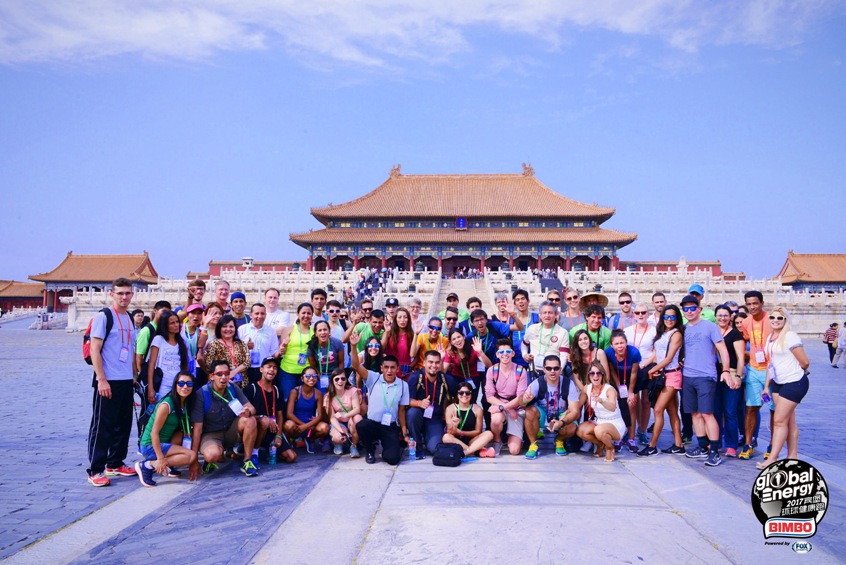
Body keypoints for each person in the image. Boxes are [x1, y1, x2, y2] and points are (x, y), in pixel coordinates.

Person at [87, 278, 138, 487]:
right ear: (112, 294)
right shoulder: (104, 317)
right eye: (120, 293)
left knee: (123, 425)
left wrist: (134, 376)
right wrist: (101, 379)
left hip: (125, 380)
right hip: (108, 380)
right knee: (103, 426)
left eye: (127, 293)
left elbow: (131, 350)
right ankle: (95, 469)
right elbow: (95, 349)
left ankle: (115, 463)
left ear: (132, 294)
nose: (124, 297)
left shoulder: (129, 318)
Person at [679, 294, 736, 468]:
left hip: (706, 376)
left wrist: (725, 370)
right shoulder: (683, 329)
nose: (689, 311)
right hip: (688, 376)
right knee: (694, 414)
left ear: (699, 309)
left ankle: (714, 451)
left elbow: (722, 349)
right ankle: (703, 446)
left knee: (707, 414)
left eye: (692, 308)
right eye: (686, 309)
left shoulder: (710, 326)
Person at [756, 308, 810, 470]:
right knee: (789, 421)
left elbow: (805, 362)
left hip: (794, 382)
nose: (775, 320)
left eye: (780, 318)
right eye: (772, 317)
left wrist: (795, 371)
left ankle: (772, 458)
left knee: (779, 421)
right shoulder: (771, 337)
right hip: (778, 383)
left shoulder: (790, 336)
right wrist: (766, 386)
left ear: (786, 320)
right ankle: (792, 456)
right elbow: (771, 364)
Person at [188, 360, 259, 479]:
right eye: (219, 374)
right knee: (212, 455)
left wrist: (248, 412)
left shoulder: (232, 387)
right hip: (211, 434)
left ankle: (247, 460)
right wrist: (194, 460)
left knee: (250, 420)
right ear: (211, 376)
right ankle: (210, 459)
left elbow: (251, 408)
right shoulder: (201, 394)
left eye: (227, 373)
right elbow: (197, 429)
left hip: (230, 431)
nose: (224, 377)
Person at [349, 332, 410, 465]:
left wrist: (404, 433)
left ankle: (388, 447)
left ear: (397, 369)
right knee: (362, 425)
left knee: (392, 459)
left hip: (390, 426)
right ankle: (370, 450)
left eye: (392, 367)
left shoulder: (403, 385)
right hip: (373, 424)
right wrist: (353, 346)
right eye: (386, 367)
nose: (389, 371)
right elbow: (356, 366)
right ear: (381, 368)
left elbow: (401, 411)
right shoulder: (373, 377)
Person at [136, 371, 198, 487]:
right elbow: (154, 433)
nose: (185, 387)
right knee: (191, 456)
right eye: (181, 383)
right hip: (150, 445)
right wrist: (160, 458)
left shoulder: (185, 402)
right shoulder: (166, 405)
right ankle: (148, 465)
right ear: (175, 385)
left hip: (165, 441)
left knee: (183, 434)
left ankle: (168, 465)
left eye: (189, 384)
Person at [639, 305, 685, 456]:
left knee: (658, 410)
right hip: (663, 375)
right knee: (672, 411)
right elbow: (657, 354)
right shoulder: (662, 332)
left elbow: (669, 358)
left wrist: (652, 370)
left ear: (677, 318)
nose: (669, 320)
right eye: (666, 316)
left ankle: (652, 446)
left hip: (671, 375)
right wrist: (649, 367)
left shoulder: (676, 334)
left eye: (672, 317)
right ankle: (678, 444)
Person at [562, 360, 626, 462]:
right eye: (592, 373)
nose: (595, 376)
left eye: (598, 373)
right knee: (581, 430)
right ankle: (600, 444)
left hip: (614, 423)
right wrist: (566, 414)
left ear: (602, 375)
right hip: (599, 421)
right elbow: (577, 405)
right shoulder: (587, 388)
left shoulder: (609, 389)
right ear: (588, 375)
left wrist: (601, 401)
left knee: (599, 430)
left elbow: (612, 407)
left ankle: (610, 448)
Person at [520, 355, 578, 458]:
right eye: (549, 368)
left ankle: (559, 440)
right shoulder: (537, 383)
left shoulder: (568, 383)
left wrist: (561, 422)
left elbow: (575, 411)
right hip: (544, 415)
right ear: (543, 369)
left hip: (561, 416)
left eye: (556, 368)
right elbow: (521, 404)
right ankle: (533, 444)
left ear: (560, 369)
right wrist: (525, 400)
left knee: (572, 426)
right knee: (529, 411)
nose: (552, 371)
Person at [739, 290, 774, 460]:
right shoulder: (746, 322)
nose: (752, 307)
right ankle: (748, 444)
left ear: (762, 303)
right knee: (751, 408)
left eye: (755, 303)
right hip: (754, 369)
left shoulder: (772, 320)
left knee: (774, 409)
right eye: (749, 304)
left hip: (771, 370)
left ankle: (773, 444)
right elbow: (747, 341)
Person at [245, 357, 297, 464]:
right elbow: (244, 416)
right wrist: (262, 417)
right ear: (261, 369)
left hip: (272, 431)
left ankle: (269, 451)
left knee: (291, 457)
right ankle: (254, 452)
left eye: (274, 368)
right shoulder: (251, 389)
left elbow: (280, 415)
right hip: (257, 429)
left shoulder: (277, 390)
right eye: (268, 367)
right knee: (264, 422)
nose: (272, 370)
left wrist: (278, 435)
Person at [485, 339, 529, 456]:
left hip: (516, 407)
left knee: (514, 451)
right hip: (501, 405)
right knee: (496, 419)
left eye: (508, 351)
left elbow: (520, 397)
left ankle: (514, 436)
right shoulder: (492, 371)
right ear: (497, 354)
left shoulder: (521, 370)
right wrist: (508, 408)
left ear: (513, 353)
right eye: (501, 352)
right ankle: (497, 440)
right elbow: (489, 396)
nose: (505, 354)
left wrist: (505, 407)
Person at [713, 304, 746, 457]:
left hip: (731, 374)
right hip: (714, 375)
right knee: (715, 410)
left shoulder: (735, 335)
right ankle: (716, 441)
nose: (722, 318)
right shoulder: (712, 331)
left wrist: (738, 376)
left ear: (730, 316)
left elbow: (740, 358)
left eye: (725, 315)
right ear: (715, 317)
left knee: (730, 411)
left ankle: (731, 444)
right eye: (720, 315)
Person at [406, 351, 452, 458]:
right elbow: (406, 400)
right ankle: (417, 446)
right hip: (418, 416)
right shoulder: (415, 377)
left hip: (434, 419)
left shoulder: (444, 379)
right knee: (412, 413)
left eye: (437, 362)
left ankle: (428, 438)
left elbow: (459, 393)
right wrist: (419, 403)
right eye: (430, 362)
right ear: (424, 363)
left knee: (434, 448)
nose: (434, 366)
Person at [604, 330, 641, 452]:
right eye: (616, 343)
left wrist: (630, 392)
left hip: (632, 380)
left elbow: (634, 373)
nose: (620, 346)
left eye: (622, 343)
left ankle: (631, 438)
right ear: (611, 345)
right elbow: (611, 370)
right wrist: (619, 386)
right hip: (617, 380)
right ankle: (618, 437)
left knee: (631, 405)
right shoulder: (608, 353)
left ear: (626, 343)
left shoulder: (634, 353)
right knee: (618, 407)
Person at [625, 304, 656, 446]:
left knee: (646, 401)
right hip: (632, 367)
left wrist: (645, 365)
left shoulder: (654, 331)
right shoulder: (628, 331)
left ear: (648, 314)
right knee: (633, 401)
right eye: (637, 313)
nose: (641, 315)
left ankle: (642, 430)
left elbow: (656, 351)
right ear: (634, 314)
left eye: (643, 312)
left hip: (647, 366)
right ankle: (632, 428)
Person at [441, 382, 496, 459]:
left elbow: (478, 431)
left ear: (471, 394)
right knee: (446, 437)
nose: (464, 395)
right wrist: (454, 426)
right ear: (457, 394)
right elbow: (450, 432)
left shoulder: (477, 409)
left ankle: (465, 452)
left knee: (489, 434)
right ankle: (476, 451)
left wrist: (461, 432)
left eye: (467, 393)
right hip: (456, 440)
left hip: (472, 439)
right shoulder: (450, 409)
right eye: (461, 393)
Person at [146, 309, 189, 405]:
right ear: (165, 325)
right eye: (172, 323)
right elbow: (151, 364)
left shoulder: (182, 341)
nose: (176, 325)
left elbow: (184, 364)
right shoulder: (158, 340)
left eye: (177, 322)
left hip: (179, 383)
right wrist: (151, 388)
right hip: (163, 384)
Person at [282, 367, 330, 451]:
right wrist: (303, 426)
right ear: (302, 378)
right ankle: (291, 441)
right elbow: (289, 414)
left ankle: (310, 440)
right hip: (296, 424)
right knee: (288, 425)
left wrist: (307, 426)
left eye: (314, 376)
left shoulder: (318, 394)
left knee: (324, 428)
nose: (311, 378)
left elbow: (320, 415)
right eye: (308, 376)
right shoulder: (295, 392)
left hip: (310, 425)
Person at [238, 303, 282, 385]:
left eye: (262, 314)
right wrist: (245, 347)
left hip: (263, 371)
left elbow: (274, 353)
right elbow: (235, 352)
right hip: (246, 370)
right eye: (257, 313)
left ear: (266, 315)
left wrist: (281, 351)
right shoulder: (242, 329)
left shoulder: (271, 331)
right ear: (250, 315)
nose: (260, 316)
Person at [278, 303, 315, 400]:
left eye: (309, 313)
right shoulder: (289, 329)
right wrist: (282, 348)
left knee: (304, 400)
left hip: (306, 372)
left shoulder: (314, 332)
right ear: (298, 314)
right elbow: (282, 350)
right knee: (287, 399)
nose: (306, 316)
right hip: (288, 371)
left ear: (312, 315)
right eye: (303, 313)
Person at [443, 330, 491, 403]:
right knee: (459, 401)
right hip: (457, 379)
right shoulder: (450, 352)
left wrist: (480, 352)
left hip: (473, 378)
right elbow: (443, 371)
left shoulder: (473, 348)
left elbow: (489, 365)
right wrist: (441, 359)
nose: (457, 340)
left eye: (459, 337)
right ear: (451, 342)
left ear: (464, 337)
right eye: (454, 339)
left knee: (472, 401)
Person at [204, 315, 250, 388]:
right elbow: (209, 366)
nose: (228, 329)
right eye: (224, 326)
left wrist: (234, 372)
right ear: (219, 328)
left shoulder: (241, 344)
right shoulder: (213, 344)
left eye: (231, 326)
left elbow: (247, 362)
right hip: (220, 384)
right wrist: (226, 375)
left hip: (241, 384)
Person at [326, 369, 363, 458]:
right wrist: (341, 431)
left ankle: (353, 446)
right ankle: (338, 443)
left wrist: (346, 415)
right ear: (332, 381)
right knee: (338, 437)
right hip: (339, 422)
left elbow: (357, 409)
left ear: (346, 380)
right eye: (337, 379)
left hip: (351, 417)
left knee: (358, 419)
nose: (340, 381)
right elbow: (332, 417)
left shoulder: (352, 390)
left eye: (343, 378)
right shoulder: (328, 396)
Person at [307, 320, 345, 392]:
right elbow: (313, 366)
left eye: (325, 330)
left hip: (335, 374)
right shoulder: (311, 346)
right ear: (315, 333)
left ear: (329, 331)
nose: (323, 332)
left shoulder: (337, 343)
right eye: (320, 330)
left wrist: (339, 377)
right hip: (320, 376)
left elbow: (341, 362)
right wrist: (320, 377)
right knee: (323, 394)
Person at [570, 329, 610, 395]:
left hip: (601, 387)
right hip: (584, 389)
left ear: (589, 340)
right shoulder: (575, 356)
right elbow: (576, 379)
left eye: (585, 338)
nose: (583, 341)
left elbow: (607, 376)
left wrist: (601, 391)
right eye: (580, 340)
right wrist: (586, 392)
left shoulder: (599, 353)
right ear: (577, 343)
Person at [511, 289, 540, 368]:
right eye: (517, 300)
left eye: (523, 299)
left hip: (533, 358)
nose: (520, 301)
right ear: (514, 304)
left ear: (528, 301)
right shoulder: (511, 319)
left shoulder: (536, 317)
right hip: (516, 359)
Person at [382, 307, 415, 376]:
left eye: (405, 317)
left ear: (408, 319)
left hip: (405, 371)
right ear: (395, 319)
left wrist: (408, 368)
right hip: (390, 370)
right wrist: (386, 332)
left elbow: (417, 357)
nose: (402, 320)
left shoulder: (412, 335)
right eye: (399, 317)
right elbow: (381, 349)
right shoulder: (389, 332)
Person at [181, 303, 204, 380]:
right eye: (193, 313)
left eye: (199, 313)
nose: (196, 316)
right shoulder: (180, 328)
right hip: (179, 366)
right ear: (187, 315)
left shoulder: (201, 332)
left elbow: (201, 346)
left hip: (193, 368)